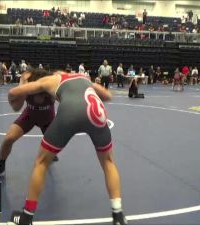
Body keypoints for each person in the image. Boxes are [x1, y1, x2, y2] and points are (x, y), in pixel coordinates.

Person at [8, 70, 127, 225]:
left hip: (70, 112)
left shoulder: (50, 80)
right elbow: (107, 96)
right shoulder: (83, 78)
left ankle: (26, 217)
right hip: (96, 112)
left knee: (41, 163)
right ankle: (118, 216)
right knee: (109, 163)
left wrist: (22, 83)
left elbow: (13, 92)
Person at [0, 69, 58, 182]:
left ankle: (51, 153)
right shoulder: (28, 87)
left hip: (48, 118)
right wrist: (23, 88)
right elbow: (16, 108)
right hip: (29, 116)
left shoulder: (50, 89)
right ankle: (1, 165)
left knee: (53, 144)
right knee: (8, 139)